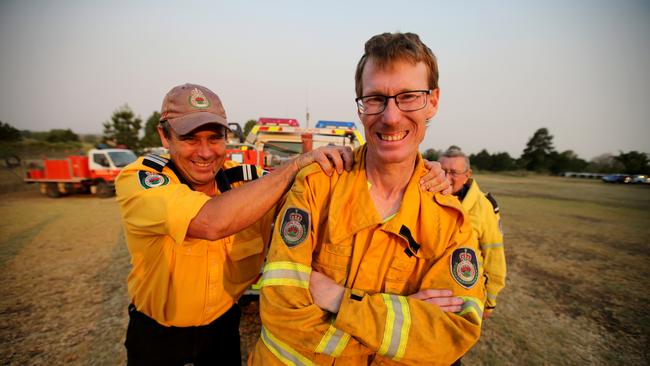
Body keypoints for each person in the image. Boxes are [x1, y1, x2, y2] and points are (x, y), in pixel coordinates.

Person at [115, 83, 449, 365]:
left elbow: (328, 199)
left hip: (221, 330)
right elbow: (210, 222)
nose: (205, 152)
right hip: (157, 336)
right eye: (190, 138)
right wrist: (294, 165)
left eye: (214, 138)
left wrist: (414, 167)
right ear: (164, 136)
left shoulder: (249, 184)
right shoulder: (141, 180)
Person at [250, 32, 485, 365]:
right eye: (375, 98)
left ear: (433, 101)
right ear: (360, 107)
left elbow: (451, 334)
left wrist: (339, 299)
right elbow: (282, 311)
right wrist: (400, 321)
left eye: (408, 97)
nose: (390, 117)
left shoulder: (451, 223)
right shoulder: (317, 187)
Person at [439, 146, 506, 319]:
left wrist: (489, 301)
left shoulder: (484, 207)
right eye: (443, 170)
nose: (447, 177)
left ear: (467, 175)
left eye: (453, 172)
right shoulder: (427, 196)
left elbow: (494, 255)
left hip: (465, 293)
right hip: (428, 292)